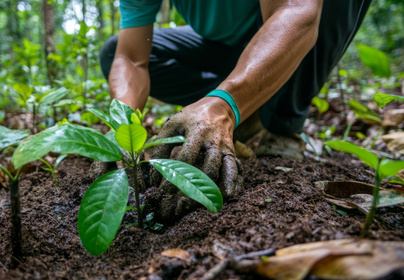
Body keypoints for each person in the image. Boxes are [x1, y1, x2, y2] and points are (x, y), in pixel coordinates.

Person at [99, 0, 372, 221]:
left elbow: (297, 10)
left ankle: (280, 124)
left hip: (282, 30)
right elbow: (131, 58)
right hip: (226, 49)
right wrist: (122, 128)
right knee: (114, 51)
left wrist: (224, 106)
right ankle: (244, 108)